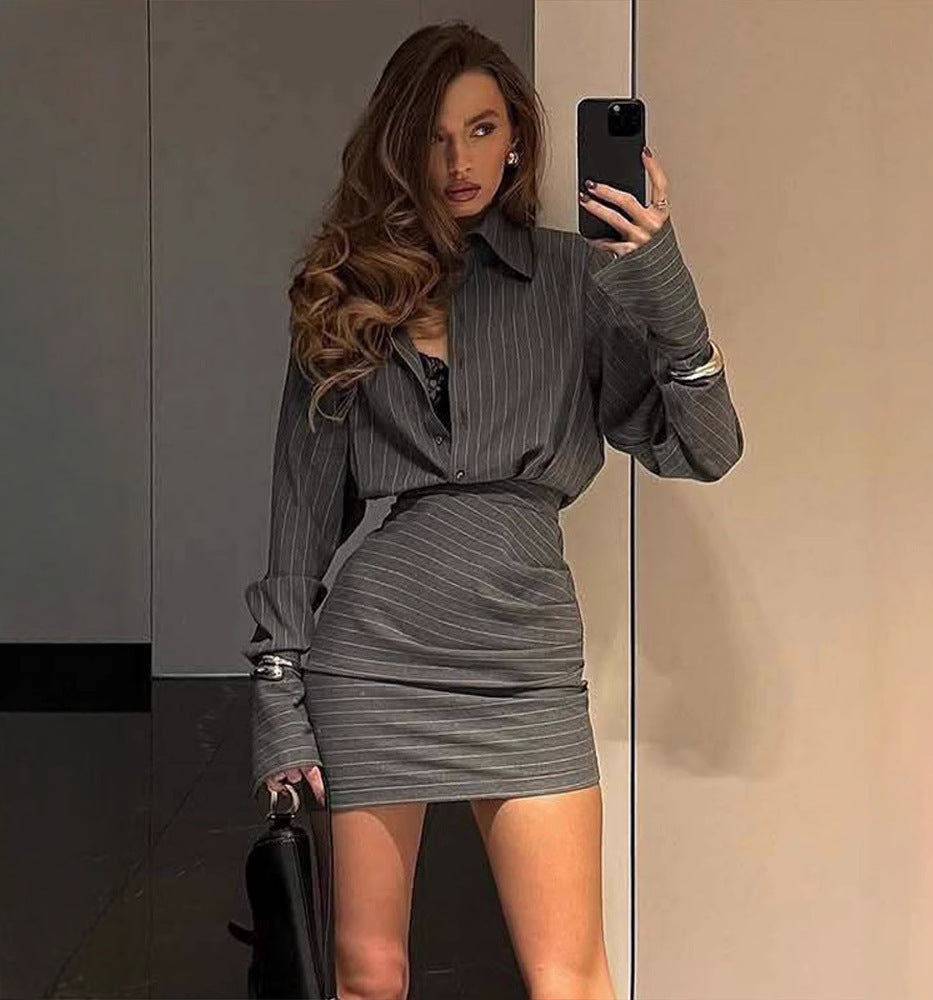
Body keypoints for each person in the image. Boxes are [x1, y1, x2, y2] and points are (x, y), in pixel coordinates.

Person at [241, 20, 743, 1000]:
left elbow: (705, 450)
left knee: (569, 978)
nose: (458, 161)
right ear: (400, 146)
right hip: (375, 659)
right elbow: (299, 515)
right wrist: (277, 700)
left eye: (480, 130)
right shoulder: (349, 292)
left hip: (525, 665)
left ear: (516, 139)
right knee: (367, 975)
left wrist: (662, 282)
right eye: (434, 137)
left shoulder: (576, 277)